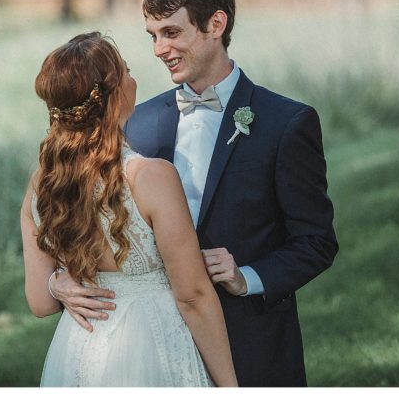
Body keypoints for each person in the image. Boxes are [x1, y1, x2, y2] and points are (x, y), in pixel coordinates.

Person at [53, 0, 338, 387]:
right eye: (152, 35)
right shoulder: (136, 121)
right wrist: (57, 281)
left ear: (215, 24)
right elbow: (81, 214)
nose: (158, 48)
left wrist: (248, 277)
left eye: (171, 32)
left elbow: (316, 242)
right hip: (150, 348)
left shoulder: (286, 123)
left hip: (250, 341)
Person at [20, 32, 238, 387]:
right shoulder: (150, 176)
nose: (133, 78)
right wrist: (229, 385)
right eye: (127, 70)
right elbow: (193, 295)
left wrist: (56, 282)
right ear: (113, 95)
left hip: (80, 348)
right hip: (152, 343)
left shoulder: (42, 184)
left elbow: (41, 303)